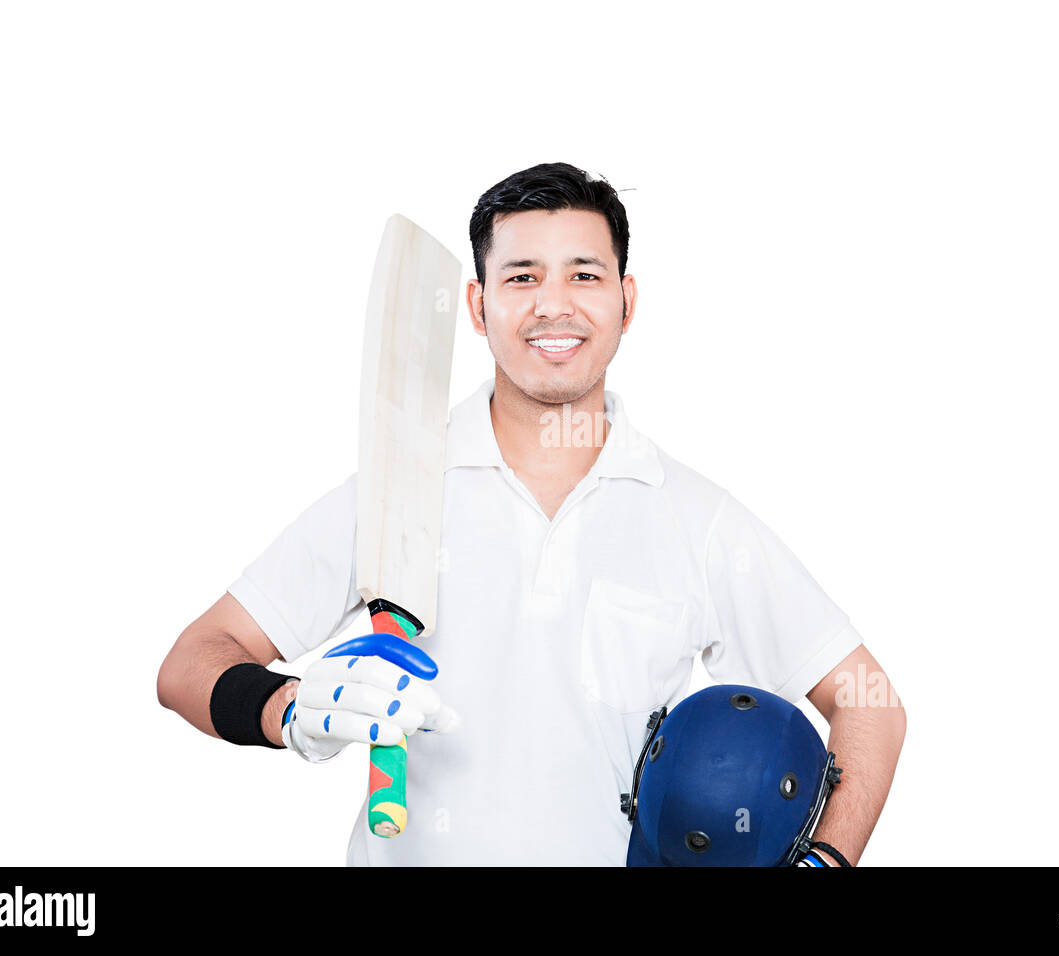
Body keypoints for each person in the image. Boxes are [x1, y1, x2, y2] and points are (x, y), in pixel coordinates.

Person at [157, 162, 907, 866]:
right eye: (522, 277)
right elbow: (190, 662)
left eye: (585, 274)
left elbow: (870, 705)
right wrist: (287, 710)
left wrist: (825, 859)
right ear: (480, 307)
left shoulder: (695, 519)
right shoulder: (397, 489)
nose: (555, 304)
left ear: (627, 300)